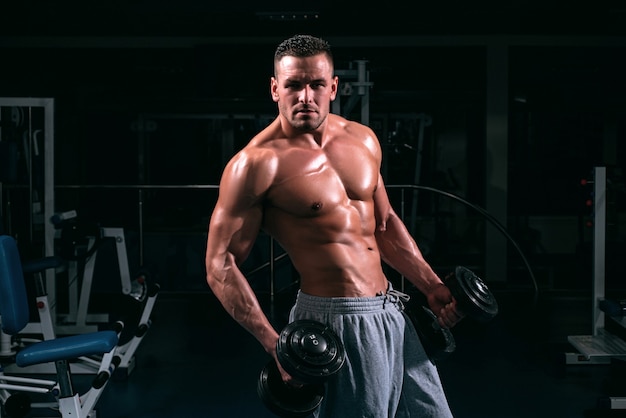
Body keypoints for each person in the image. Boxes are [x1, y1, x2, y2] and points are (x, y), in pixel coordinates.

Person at [205, 34, 464, 417]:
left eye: (316, 85)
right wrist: (274, 343)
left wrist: (430, 285)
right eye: (293, 85)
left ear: (334, 87)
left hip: (393, 311)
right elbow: (219, 265)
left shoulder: (363, 140)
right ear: (275, 89)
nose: (305, 96)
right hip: (335, 319)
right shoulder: (256, 164)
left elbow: (386, 224)